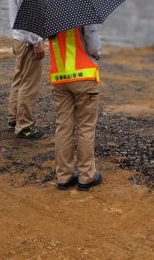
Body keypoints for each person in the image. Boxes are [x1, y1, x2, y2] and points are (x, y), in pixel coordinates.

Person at [49, 24, 103, 191]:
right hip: (83, 76)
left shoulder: (49, 11)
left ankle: (63, 176)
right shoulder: (81, 11)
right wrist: (97, 54)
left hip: (59, 77)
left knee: (63, 127)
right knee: (86, 126)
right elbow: (94, 46)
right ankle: (86, 176)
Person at [7, 0, 48, 139]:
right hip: (28, 39)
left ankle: (14, 117)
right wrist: (37, 41)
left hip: (19, 38)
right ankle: (24, 125)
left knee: (19, 79)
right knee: (28, 83)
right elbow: (29, 14)